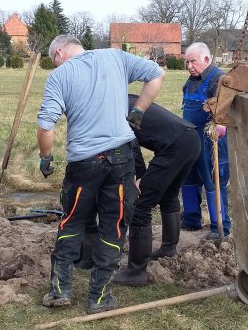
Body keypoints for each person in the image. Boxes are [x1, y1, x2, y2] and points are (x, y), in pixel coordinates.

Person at [37, 34, 165, 314]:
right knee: (114, 225)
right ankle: (100, 297)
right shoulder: (115, 56)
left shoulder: (60, 76)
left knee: (71, 222)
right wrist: (138, 111)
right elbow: (156, 74)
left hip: (83, 164)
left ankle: (60, 291)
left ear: (59, 52)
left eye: (53, 61)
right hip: (121, 158)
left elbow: (46, 126)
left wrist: (46, 158)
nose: (54, 66)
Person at [110, 94, 200, 285]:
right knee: (168, 196)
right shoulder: (128, 98)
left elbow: (131, 145)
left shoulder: (113, 108)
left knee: (140, 203)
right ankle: (168, 248)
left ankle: (135, 272)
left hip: (174, 146)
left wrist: (139, 178)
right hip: (191, 138)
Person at [180, 42, 231, 239]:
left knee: (213, 181)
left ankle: (220, 226)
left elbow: (226, 105)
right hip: (191, 140)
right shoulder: (190, 81)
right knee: (189, 178)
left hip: (211, 141)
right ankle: (192, 219)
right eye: (187, 62)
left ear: (206, 59)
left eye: (192, 61)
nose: (189, 66)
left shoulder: (218, 78)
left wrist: (222, 122)